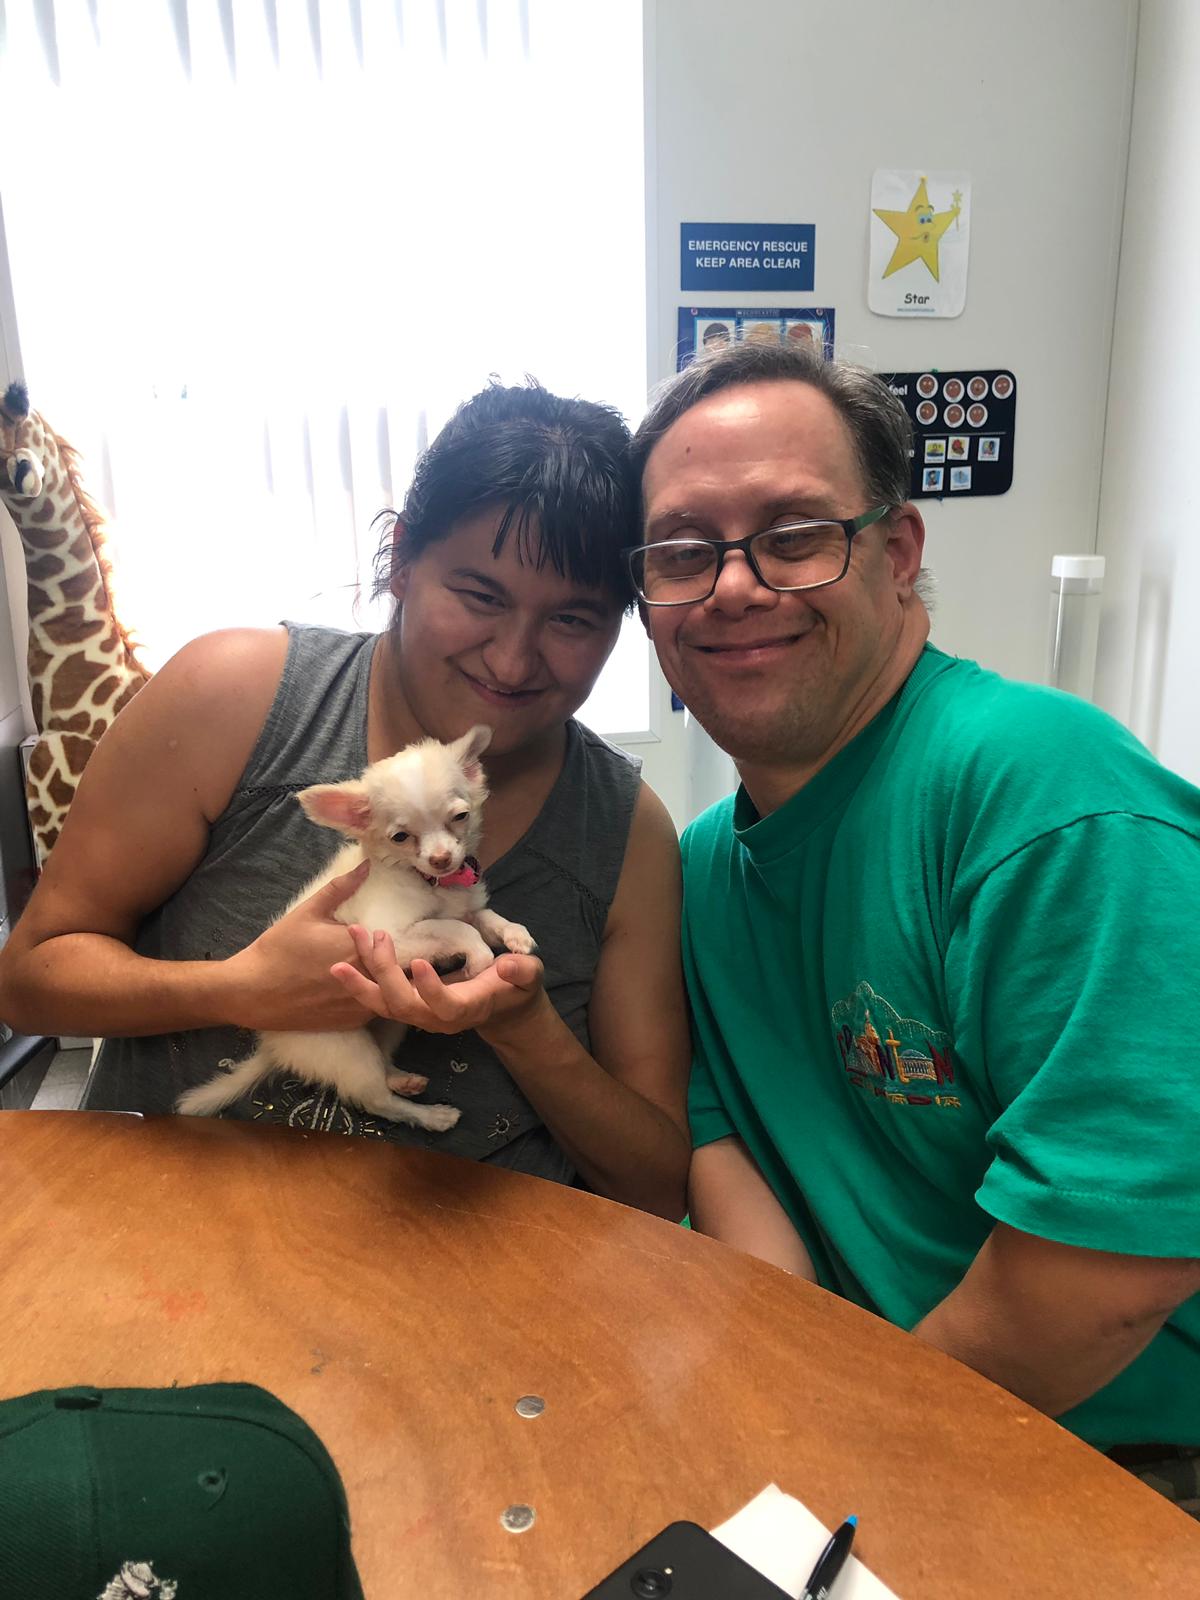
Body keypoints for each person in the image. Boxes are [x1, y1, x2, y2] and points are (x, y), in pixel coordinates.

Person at [626, 337, 1200, 1507]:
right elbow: (727, 1150)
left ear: (897, 551)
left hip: (1121, 1474)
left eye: (792, 534)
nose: (733, 587)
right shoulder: (694, 873)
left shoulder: (1045, 796)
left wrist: (856, 1445)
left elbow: (1107, 1272)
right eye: (684, 552)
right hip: (871, 1428)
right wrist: (790, 1404)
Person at [0, 380, 690, 1219]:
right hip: (174, 1247)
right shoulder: (235, 700)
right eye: (479, 596)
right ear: (401, 559)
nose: (512, 663)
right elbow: (31, 980)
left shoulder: (627, 834)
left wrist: (524, 1026)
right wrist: (237, 989)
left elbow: (655, 1184)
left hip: (482, 1295)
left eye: (573, 621)